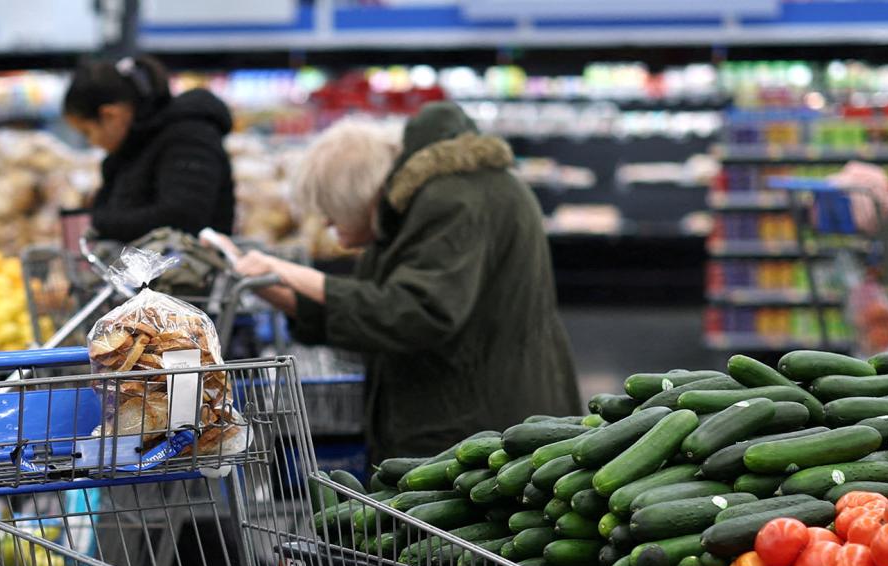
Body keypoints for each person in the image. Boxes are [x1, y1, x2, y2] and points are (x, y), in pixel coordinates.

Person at [232, 104, 579, 461]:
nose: (326, 223)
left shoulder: (452, 199)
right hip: (478, 418)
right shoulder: (423, 204)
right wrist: (279, 292)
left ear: (354, 195)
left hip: (481, 431)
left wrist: (295, 274)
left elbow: (419, 312)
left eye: (330, 210)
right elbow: (377, 313)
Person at [62, 55, 235, 244]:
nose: (92, 142)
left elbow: (182, 219)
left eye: (87, 132)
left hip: (189, 270)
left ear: (110, 115)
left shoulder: (189, 137)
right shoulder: (129, 149)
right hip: (141, 270)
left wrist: (96, 223)